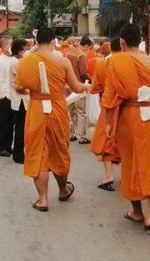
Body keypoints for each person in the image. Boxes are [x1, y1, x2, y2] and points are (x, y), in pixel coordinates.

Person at [104, 24, 150, 235]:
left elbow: (110, 96)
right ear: (141, 41)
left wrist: (108, 123)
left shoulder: (115, 62)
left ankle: (137, 211)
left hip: (128, 118)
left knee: (131, 164)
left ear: (122, 42)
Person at [14, 27, 91, 212]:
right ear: (52, 41)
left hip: (36, 109)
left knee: (38, 153)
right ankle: (63, 190)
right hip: (57, 108)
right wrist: (87, 86)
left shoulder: (24, 62)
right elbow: (76, 87)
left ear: (36, 42)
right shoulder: (62, 61)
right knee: (59, 151)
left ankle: (42, 200)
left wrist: (31, 91)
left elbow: (19, 88)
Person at [88, 40, 119, 189]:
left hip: (109, 106)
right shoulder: (137, 61)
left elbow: (95, 87)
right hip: (131, 107)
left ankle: (109, 175)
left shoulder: (102, 64)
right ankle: (130, 176)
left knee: (106, 141)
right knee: (129, 143)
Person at [0, 37, 15, 156]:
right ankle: (0, 147)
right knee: (4, 122)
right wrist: (4, 95)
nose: (11, 47)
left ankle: (8, 145)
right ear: (3, 46)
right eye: (9, 45)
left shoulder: (11, 59)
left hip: (12, 95)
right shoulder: (0, 61)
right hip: (4, 95)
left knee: (11, 122)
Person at [64, 37, 90, 143]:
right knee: (81, 111)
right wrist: (89, 81)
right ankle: (81, 136)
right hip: (78, 85)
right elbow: (83, 72)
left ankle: (71, 134)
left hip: (67, 85)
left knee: (70, 110)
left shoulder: (68, 54)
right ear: (85, 46)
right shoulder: (81, 55)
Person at [9, 39, 30, 164]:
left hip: (21, 98)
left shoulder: (17, 61)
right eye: (26, 48)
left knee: (21, 128)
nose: (27, 51)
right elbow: (22, 80)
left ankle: (19, 152)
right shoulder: (17, 63)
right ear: (20, 50)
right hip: (20, 99)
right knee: (21, 129)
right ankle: (18, 155)